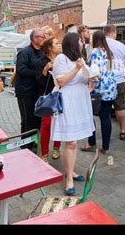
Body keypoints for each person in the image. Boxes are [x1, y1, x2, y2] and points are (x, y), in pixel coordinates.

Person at [51, 32, 95, 195]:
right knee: (71, 142)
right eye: (80, 41)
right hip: (67, 101)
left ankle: (71, 171)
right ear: (72, 43)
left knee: (74, 140)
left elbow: (84, 77)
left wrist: (91, 80)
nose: (82, 43)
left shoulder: (81, 59)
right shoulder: (61, 59)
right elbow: (61, 81)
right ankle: (69, 178)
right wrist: (77, 68)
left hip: (80, 101)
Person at [80, 30, 117, 155]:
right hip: (110, 89)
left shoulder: (95, 52)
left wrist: (90, 87)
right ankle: (105, 147)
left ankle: (91, 143)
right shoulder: (109, 52)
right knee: (105, 117)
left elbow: (95, 73)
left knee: (90, 116)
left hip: (98, 89)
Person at [15, 29, 46, 152]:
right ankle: (25, 144)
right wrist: (38, 73)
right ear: (34, 38)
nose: (43, 38)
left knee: (37, 118)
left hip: (38, 91)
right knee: (27, 119)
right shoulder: (25, 52)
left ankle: (33, 141)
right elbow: (21, 70)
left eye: (44, 37)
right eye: (41, 36)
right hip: (25, 91)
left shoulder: (42, 53)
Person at [37, 36, 62, 163]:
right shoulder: (42, 60)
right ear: (49, 48)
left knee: (60, 123)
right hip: (48, 97)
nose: (59, 45)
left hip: (61, 96)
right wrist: (45, 69)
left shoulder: (62, 59)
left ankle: (57, 148)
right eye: (57, 43)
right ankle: (44, 153)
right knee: (46, 125)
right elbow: (39, 81)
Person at [103, 24, 125, 140]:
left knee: (105, 108)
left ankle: (106, 135)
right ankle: (123, 130)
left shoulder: (99, 45)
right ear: (114, 32)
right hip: (119, 79)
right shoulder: (121, 45)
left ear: (104, 32)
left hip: (105, 81)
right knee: (120, 107)